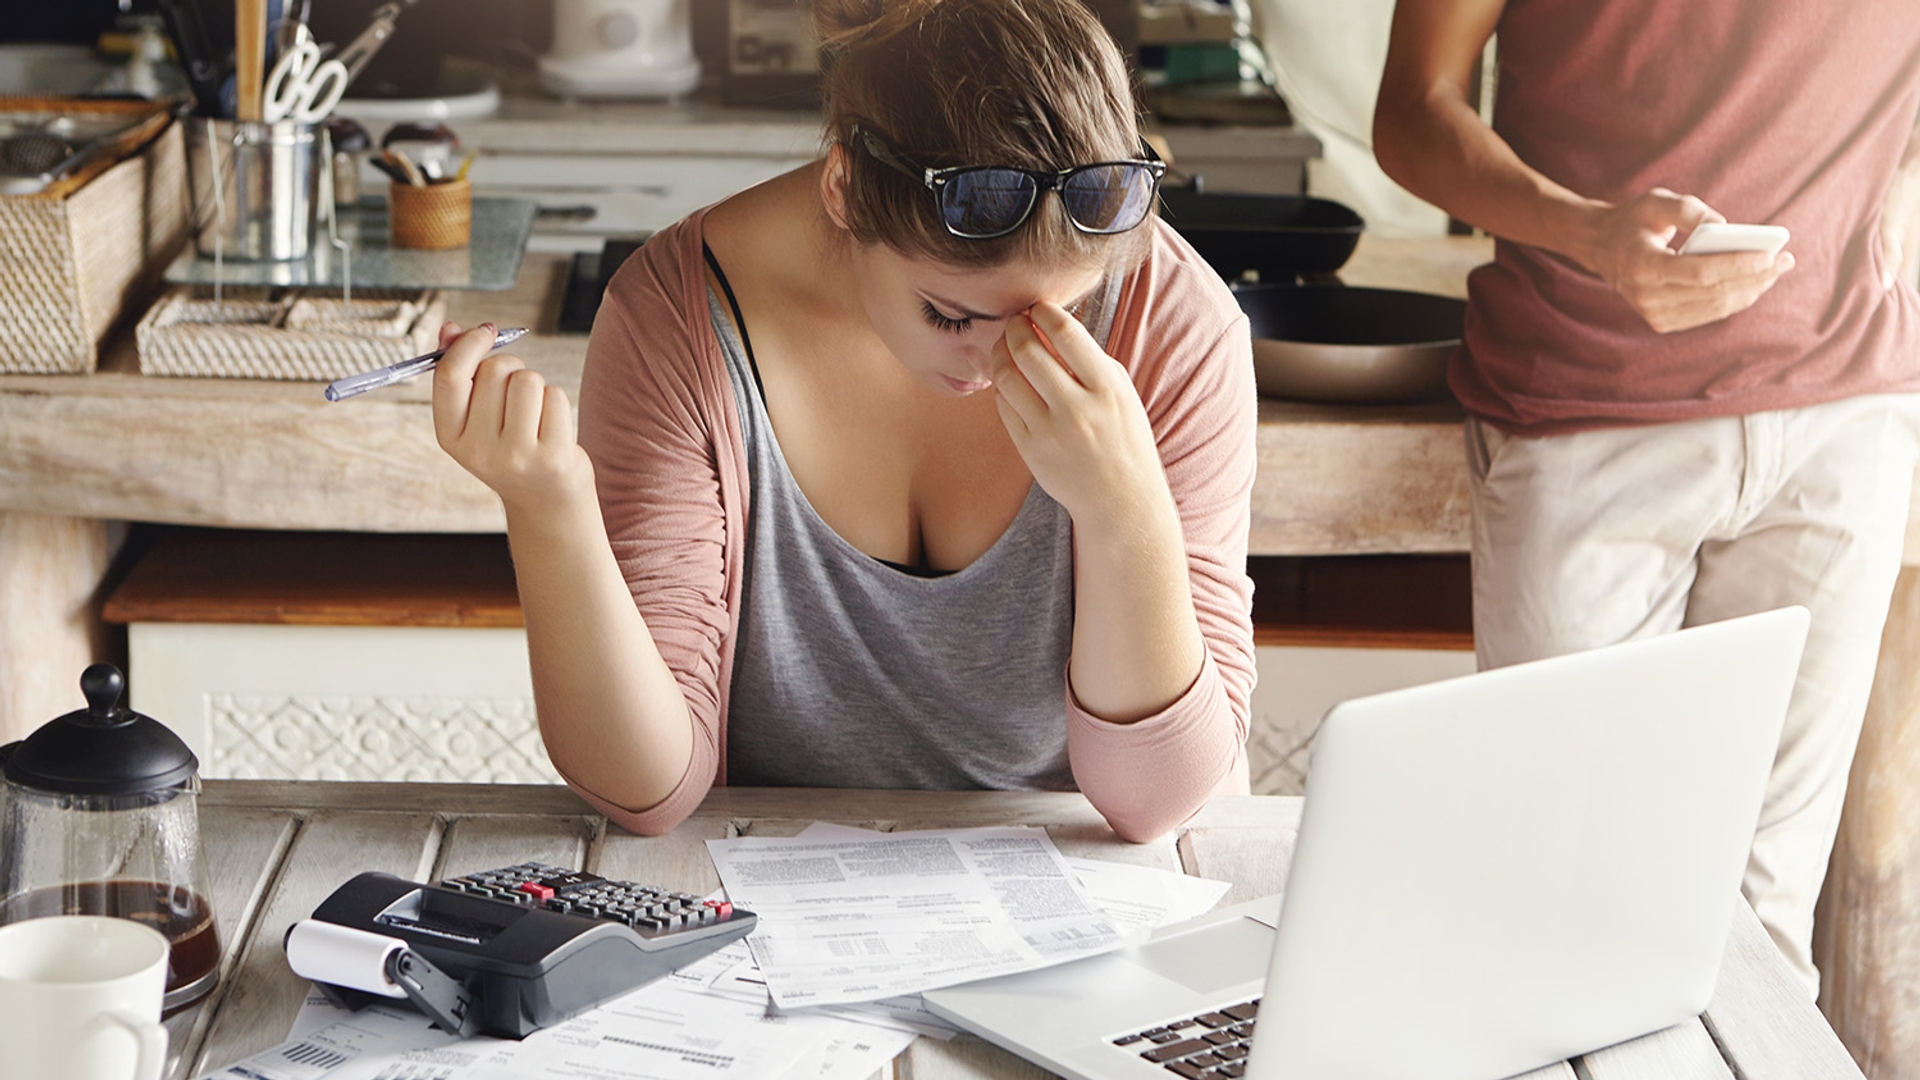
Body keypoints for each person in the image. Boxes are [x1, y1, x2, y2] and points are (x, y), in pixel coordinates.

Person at [428, 0, 1259, 843]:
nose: (998, 363)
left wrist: (1125, 512)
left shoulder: (1178, 324)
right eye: (947, 314)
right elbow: (648, 790)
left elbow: (1159, 806)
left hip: (1089, 911)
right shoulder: (676, 319)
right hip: (766, 922)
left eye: (1063, 314)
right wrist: (552, 512)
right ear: (846, 189)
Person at [1373, 0, 1920, 996]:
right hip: (1585, 406)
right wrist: (1586, 234)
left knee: (1760, 929)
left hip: (1846, 414)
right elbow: (1413, 109)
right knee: (1560, 922)